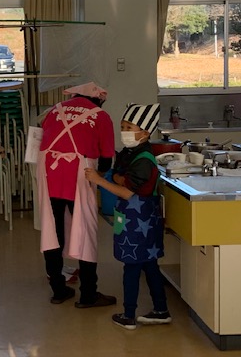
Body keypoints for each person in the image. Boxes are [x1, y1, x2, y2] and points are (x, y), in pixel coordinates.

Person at [85, 103, 172, 330]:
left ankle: (129, 315)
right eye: (122, 127)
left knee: (132, 266)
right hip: (134, 217)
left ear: (145, 133)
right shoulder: (130, 153)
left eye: (129, 127)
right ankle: (161, 310)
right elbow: (119, 177)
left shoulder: (143, 160)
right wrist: (118, 179)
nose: (124, 131)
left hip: (141, 219)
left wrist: (99, 180)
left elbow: (125, 190)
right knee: (149, 265)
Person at [36, 82, 117, 307]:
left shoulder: (55, 109)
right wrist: (99, 178)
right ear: (98, 100)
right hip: (80, 171)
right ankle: (88, 294)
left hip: (48, 170)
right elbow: (106, 159)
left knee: (52, 229)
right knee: (86, 228)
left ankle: (58, 290)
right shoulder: (101, 116)